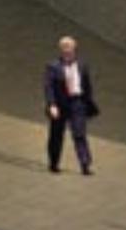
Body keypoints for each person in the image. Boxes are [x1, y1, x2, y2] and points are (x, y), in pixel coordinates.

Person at [42, 34, 99, 174]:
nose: (67, 51)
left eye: (69, 48)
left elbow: (87, 85)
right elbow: (48, 87)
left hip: (77, 103)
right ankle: (53, 163)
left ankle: (85, 164)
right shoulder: (53, 66)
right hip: (60, 104)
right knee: (56, 135)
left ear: (74, 49)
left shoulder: (82, 65)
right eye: (64, 48)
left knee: (80, 133)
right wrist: (52, 105)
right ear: (61, 50)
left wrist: (87, 103)